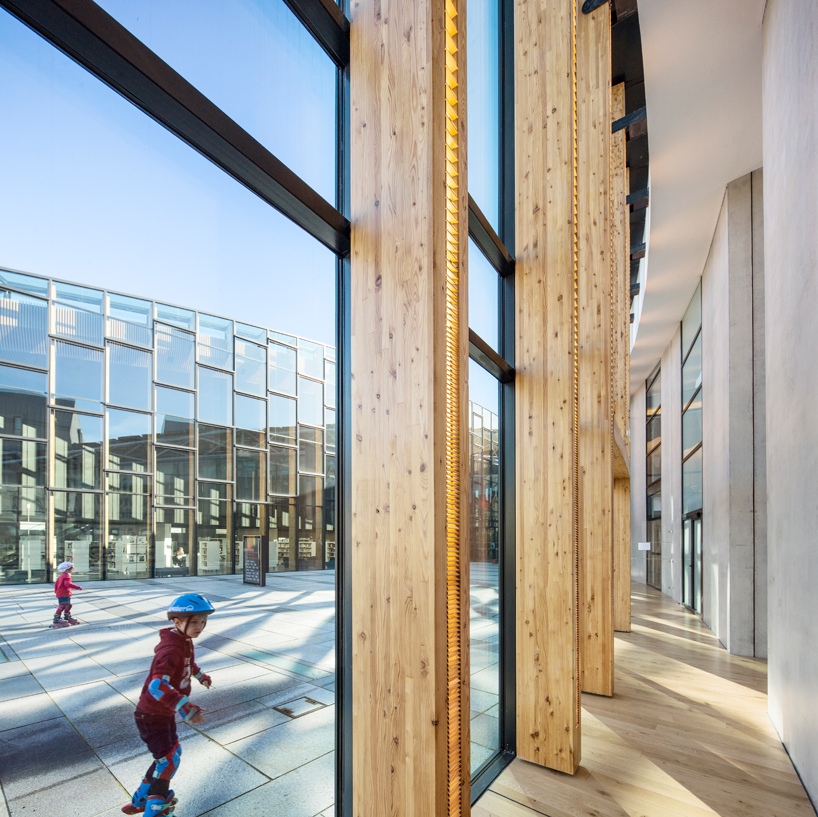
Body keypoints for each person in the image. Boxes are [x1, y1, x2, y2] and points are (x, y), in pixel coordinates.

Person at [121, 594, 215, 817]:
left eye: (203, 621)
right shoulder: (171, 649)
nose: (200, 627)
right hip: (151, 715)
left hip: (163, 713)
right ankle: (155, 810)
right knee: (168, 761)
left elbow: (188, 663)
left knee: (172, 754)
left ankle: (142, 799)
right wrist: (186, 707)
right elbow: (157, 686)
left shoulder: (183, 641)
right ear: (177, 622)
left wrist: (201, 675)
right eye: (194, 622)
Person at [52, 562, 82, 627]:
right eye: (72, 569)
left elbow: (56, 584)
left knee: (68, 605)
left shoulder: (62, 575)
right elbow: (67, 584)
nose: (72, 571)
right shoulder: (66, 576)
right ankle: (57, 618)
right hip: (64, 594)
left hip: (62, 593)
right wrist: (77, 587)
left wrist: (56, 591)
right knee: (62, 606)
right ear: (68, 569)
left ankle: (67, 616)